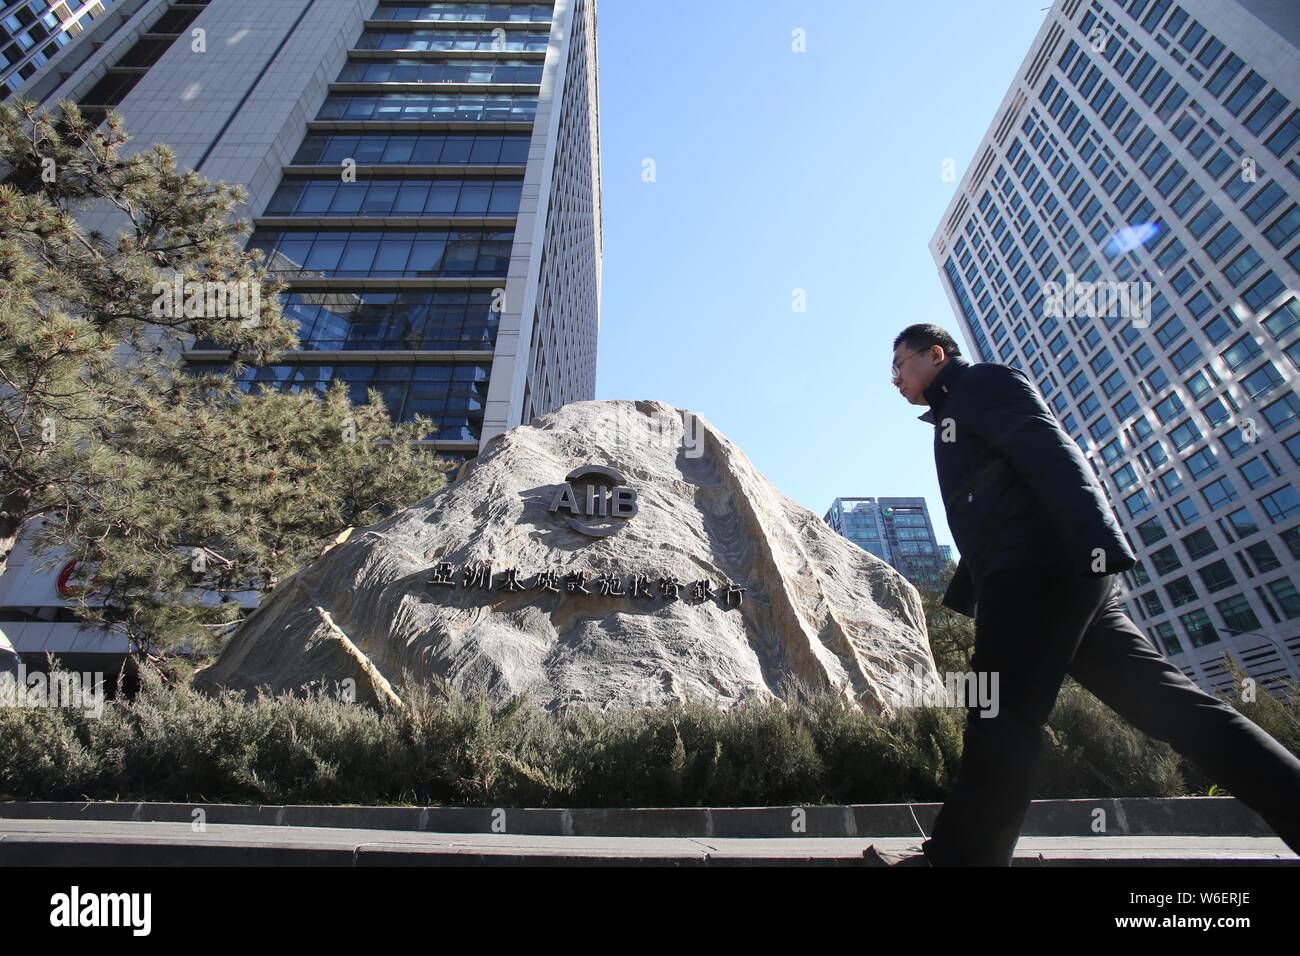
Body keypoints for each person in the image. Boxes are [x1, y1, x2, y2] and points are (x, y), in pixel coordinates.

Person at [863, 323, 1300, 867]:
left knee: (999, 713)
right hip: (1060, 576)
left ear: (936, 354)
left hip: (1037, 574)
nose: (895, 378)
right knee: (1178, 709)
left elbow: (1051, 452)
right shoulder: (956, 410)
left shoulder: (983, 384)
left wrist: (1095, 545)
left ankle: (959, 858)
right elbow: (995, 501)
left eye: (900, 364)